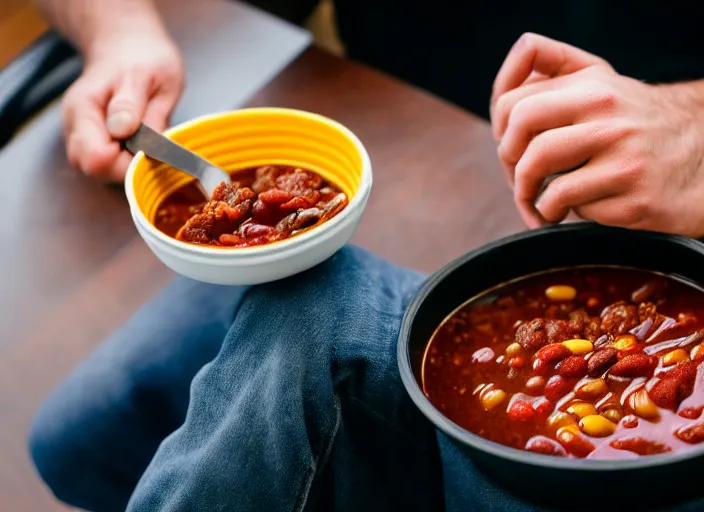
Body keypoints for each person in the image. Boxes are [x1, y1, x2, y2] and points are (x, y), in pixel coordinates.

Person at [27, 0, 704, 511]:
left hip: (668, 258)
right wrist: (122, 36)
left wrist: (691, 128)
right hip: (393, 193)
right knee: (78, 437)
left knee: (315, 321)